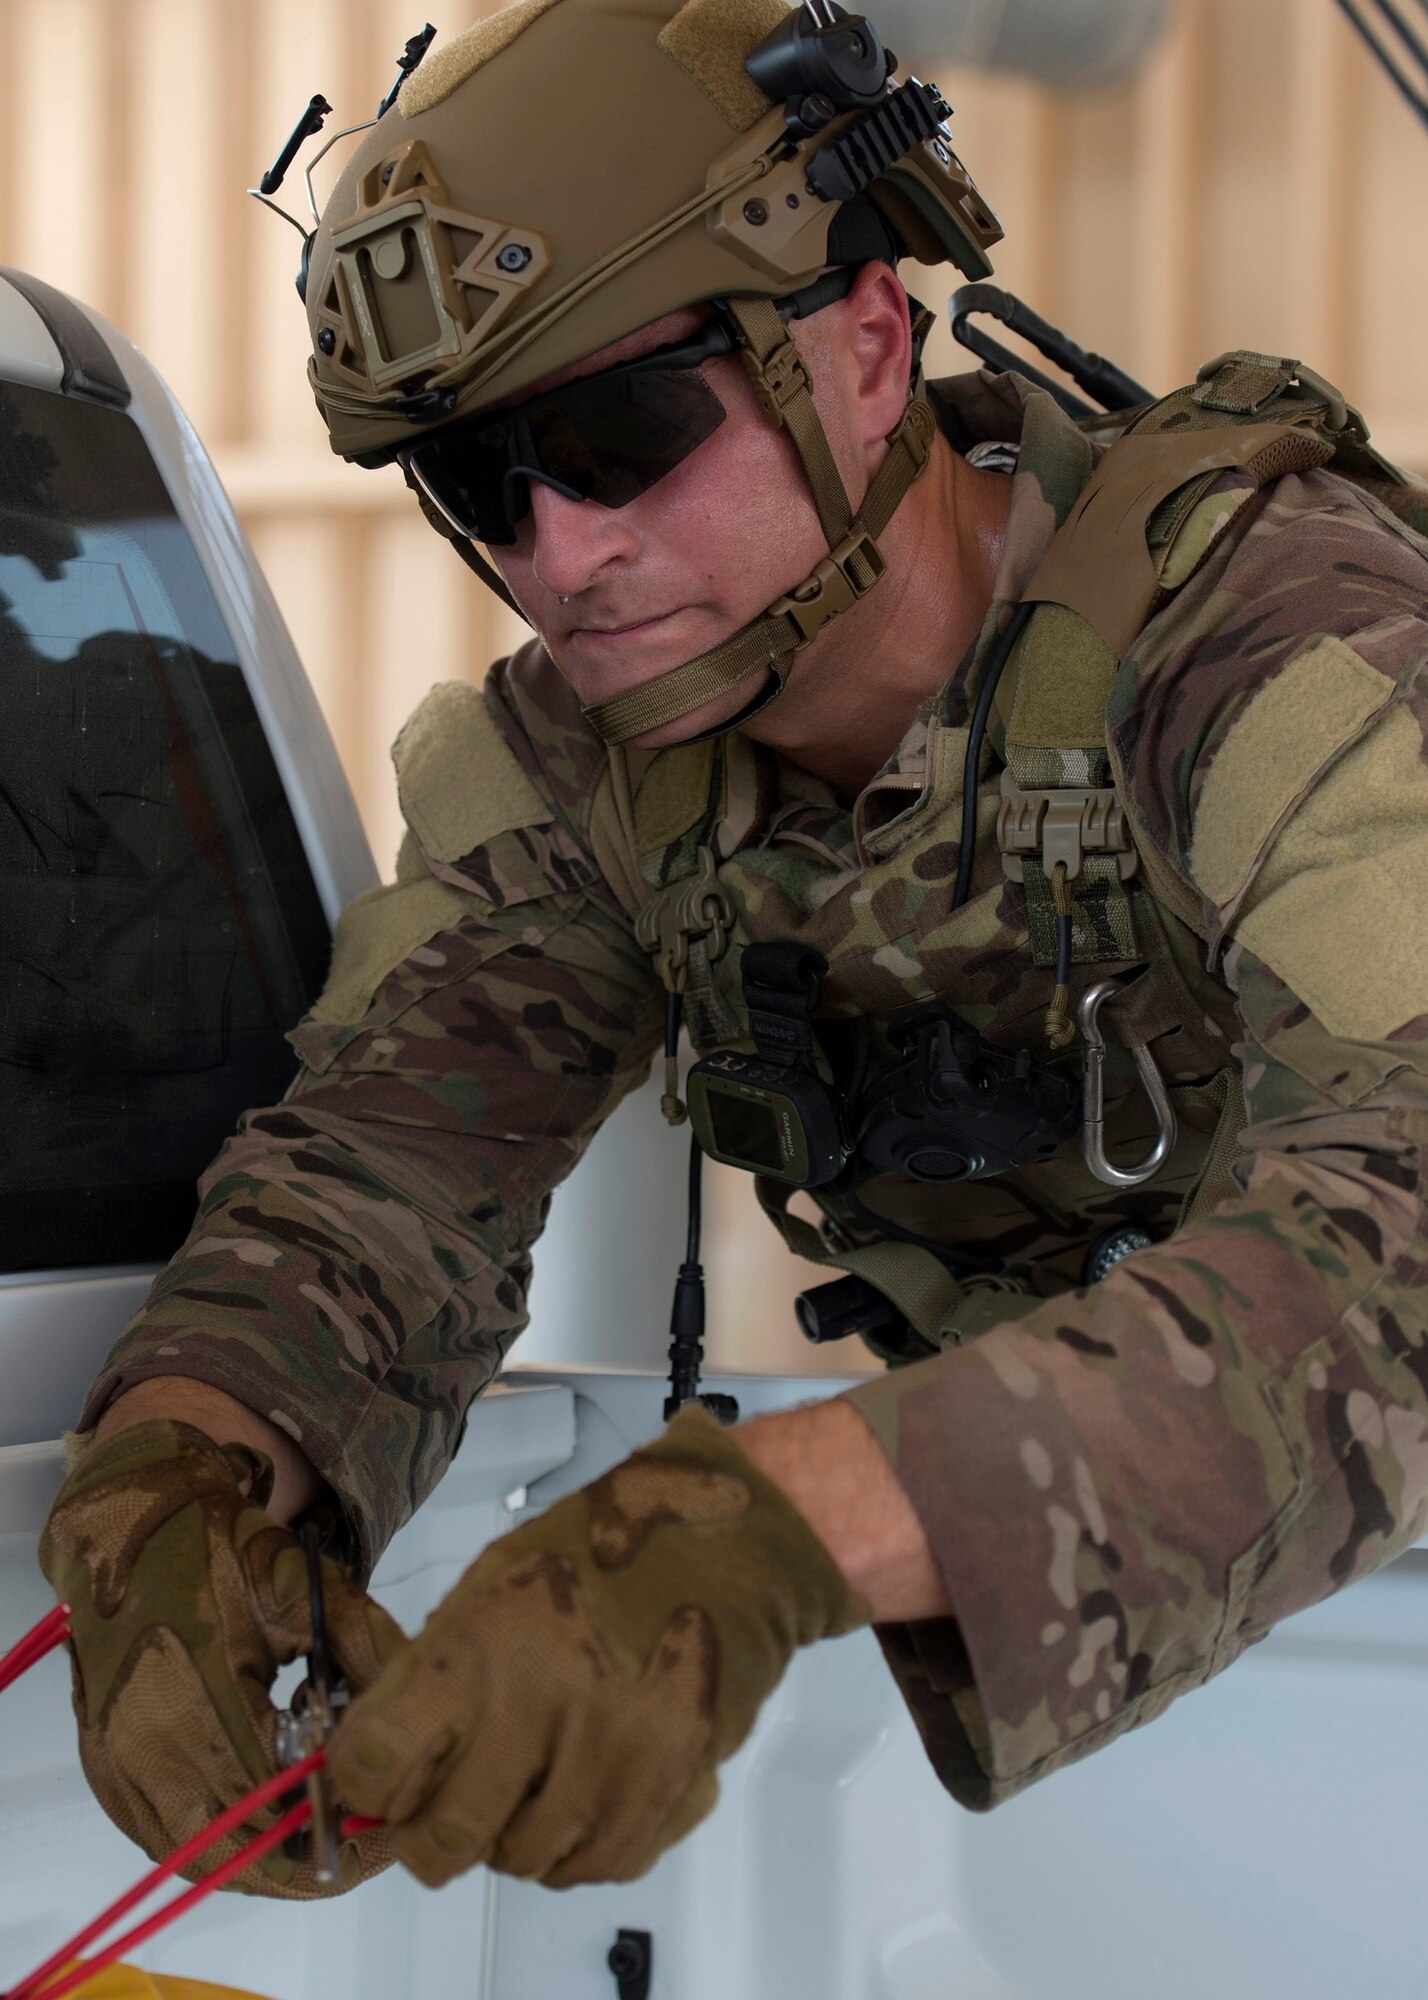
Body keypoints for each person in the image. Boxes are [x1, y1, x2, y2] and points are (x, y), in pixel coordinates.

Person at [39, 0, 1428, 1901]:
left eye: (618, 431)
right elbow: (379, 1174)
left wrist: (763, 1532)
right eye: (476, 480)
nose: (555, 552)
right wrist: (179, 1473)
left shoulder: (1276, 645)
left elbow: (1408, 1246)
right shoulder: (595, 767)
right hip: (1133, 1727)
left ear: (866, 346)